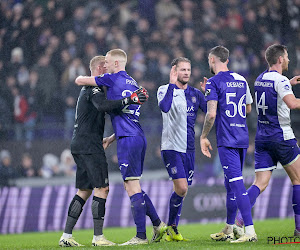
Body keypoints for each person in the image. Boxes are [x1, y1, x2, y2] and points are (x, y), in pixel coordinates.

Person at [75, 49, 167, 245]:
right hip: (136, 136)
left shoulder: (111, 78)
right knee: (135, 185)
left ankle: (141, 236)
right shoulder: (133, 83)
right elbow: (128, 115)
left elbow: (80, 81)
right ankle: (158, 225)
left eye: (107, 62)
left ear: (116, 64)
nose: (105, 65)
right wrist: (111, 137)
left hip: (128, 139)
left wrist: (88, 76)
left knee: (131, 185)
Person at [59, 55, 148, 247]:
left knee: (84, 190)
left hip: (79, 144)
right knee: (102, 188)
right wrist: (129, 99)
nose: (108, 69)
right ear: (100, 68)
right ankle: (98, 237)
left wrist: (111, 137)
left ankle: (66, 236)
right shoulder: (96, 88)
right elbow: (102, 105)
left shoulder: (88, 89)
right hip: (91, 145)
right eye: (105, 66)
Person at [234, 44, 300, 236]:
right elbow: (293, 104)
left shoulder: (260, 79)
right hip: (282, 137)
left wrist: (288, 82)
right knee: (298, 179)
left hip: (263, 138)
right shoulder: (281, 81)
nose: (288, 59)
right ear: (280, 59)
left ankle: (238, 221)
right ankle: (298, 228)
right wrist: (287, 84)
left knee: (260, 184)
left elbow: (274, 88)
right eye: (286, 57)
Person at [200, 45, 257, 243]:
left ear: (213, 60)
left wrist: (203, 136)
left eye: (209, 60)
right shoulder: (241, 80)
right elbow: (249, 109)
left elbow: (212, 113)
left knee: (236, 183)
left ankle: (249, 231)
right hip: (241, 137)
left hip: (227, 139)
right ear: (228, 60)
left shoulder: (213, 82)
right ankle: (229, 227)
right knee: (230, 184)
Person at [157, 57, 206, 241]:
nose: (186, 73)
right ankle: (172, 227)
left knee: (182, 191)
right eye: (182, 70)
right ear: (174, 71)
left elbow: (212, 112)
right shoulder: (164, 89)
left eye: (188, 69)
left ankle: (171, 230)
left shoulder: (195, 93)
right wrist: (171, 84)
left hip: (189, 149)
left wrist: (210, 94)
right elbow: (164, 107)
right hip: (171, 148)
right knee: (182, 188)